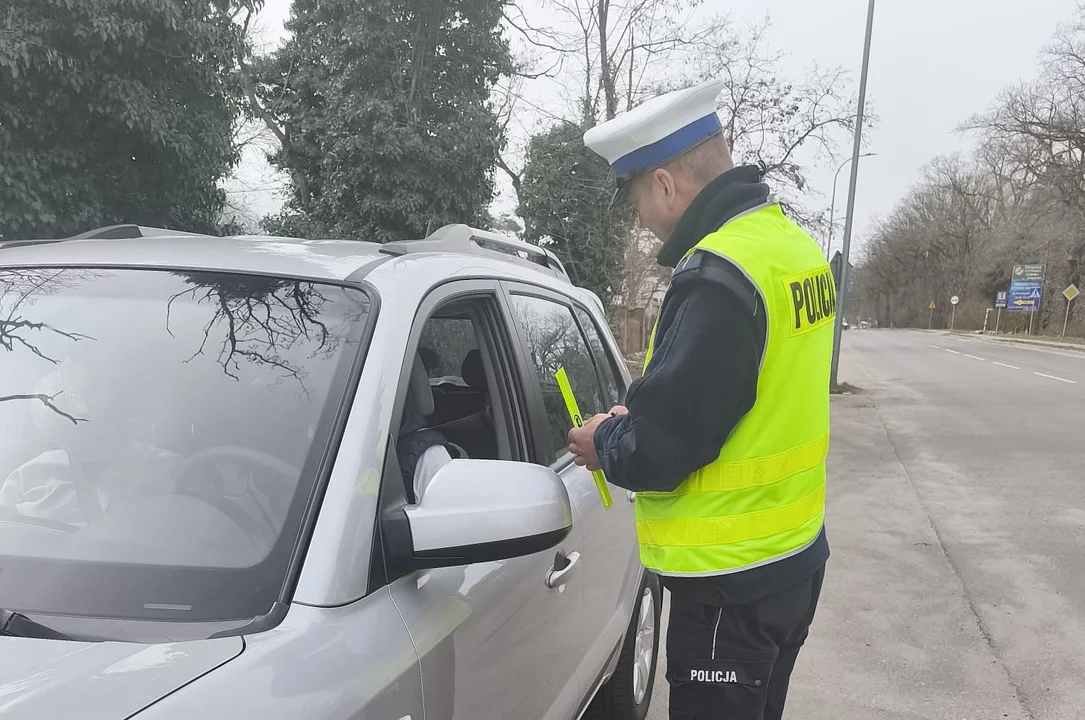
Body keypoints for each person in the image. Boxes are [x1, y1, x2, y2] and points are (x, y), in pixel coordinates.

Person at [568, 78, 832, 720]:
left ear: (664, 184)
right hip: (793, 557)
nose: (642, 217)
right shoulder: (791, 247)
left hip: (728, 585)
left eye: (638, 199)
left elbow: (661, 450)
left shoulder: (718, 274)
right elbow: (748, 392)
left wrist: (605, 439)